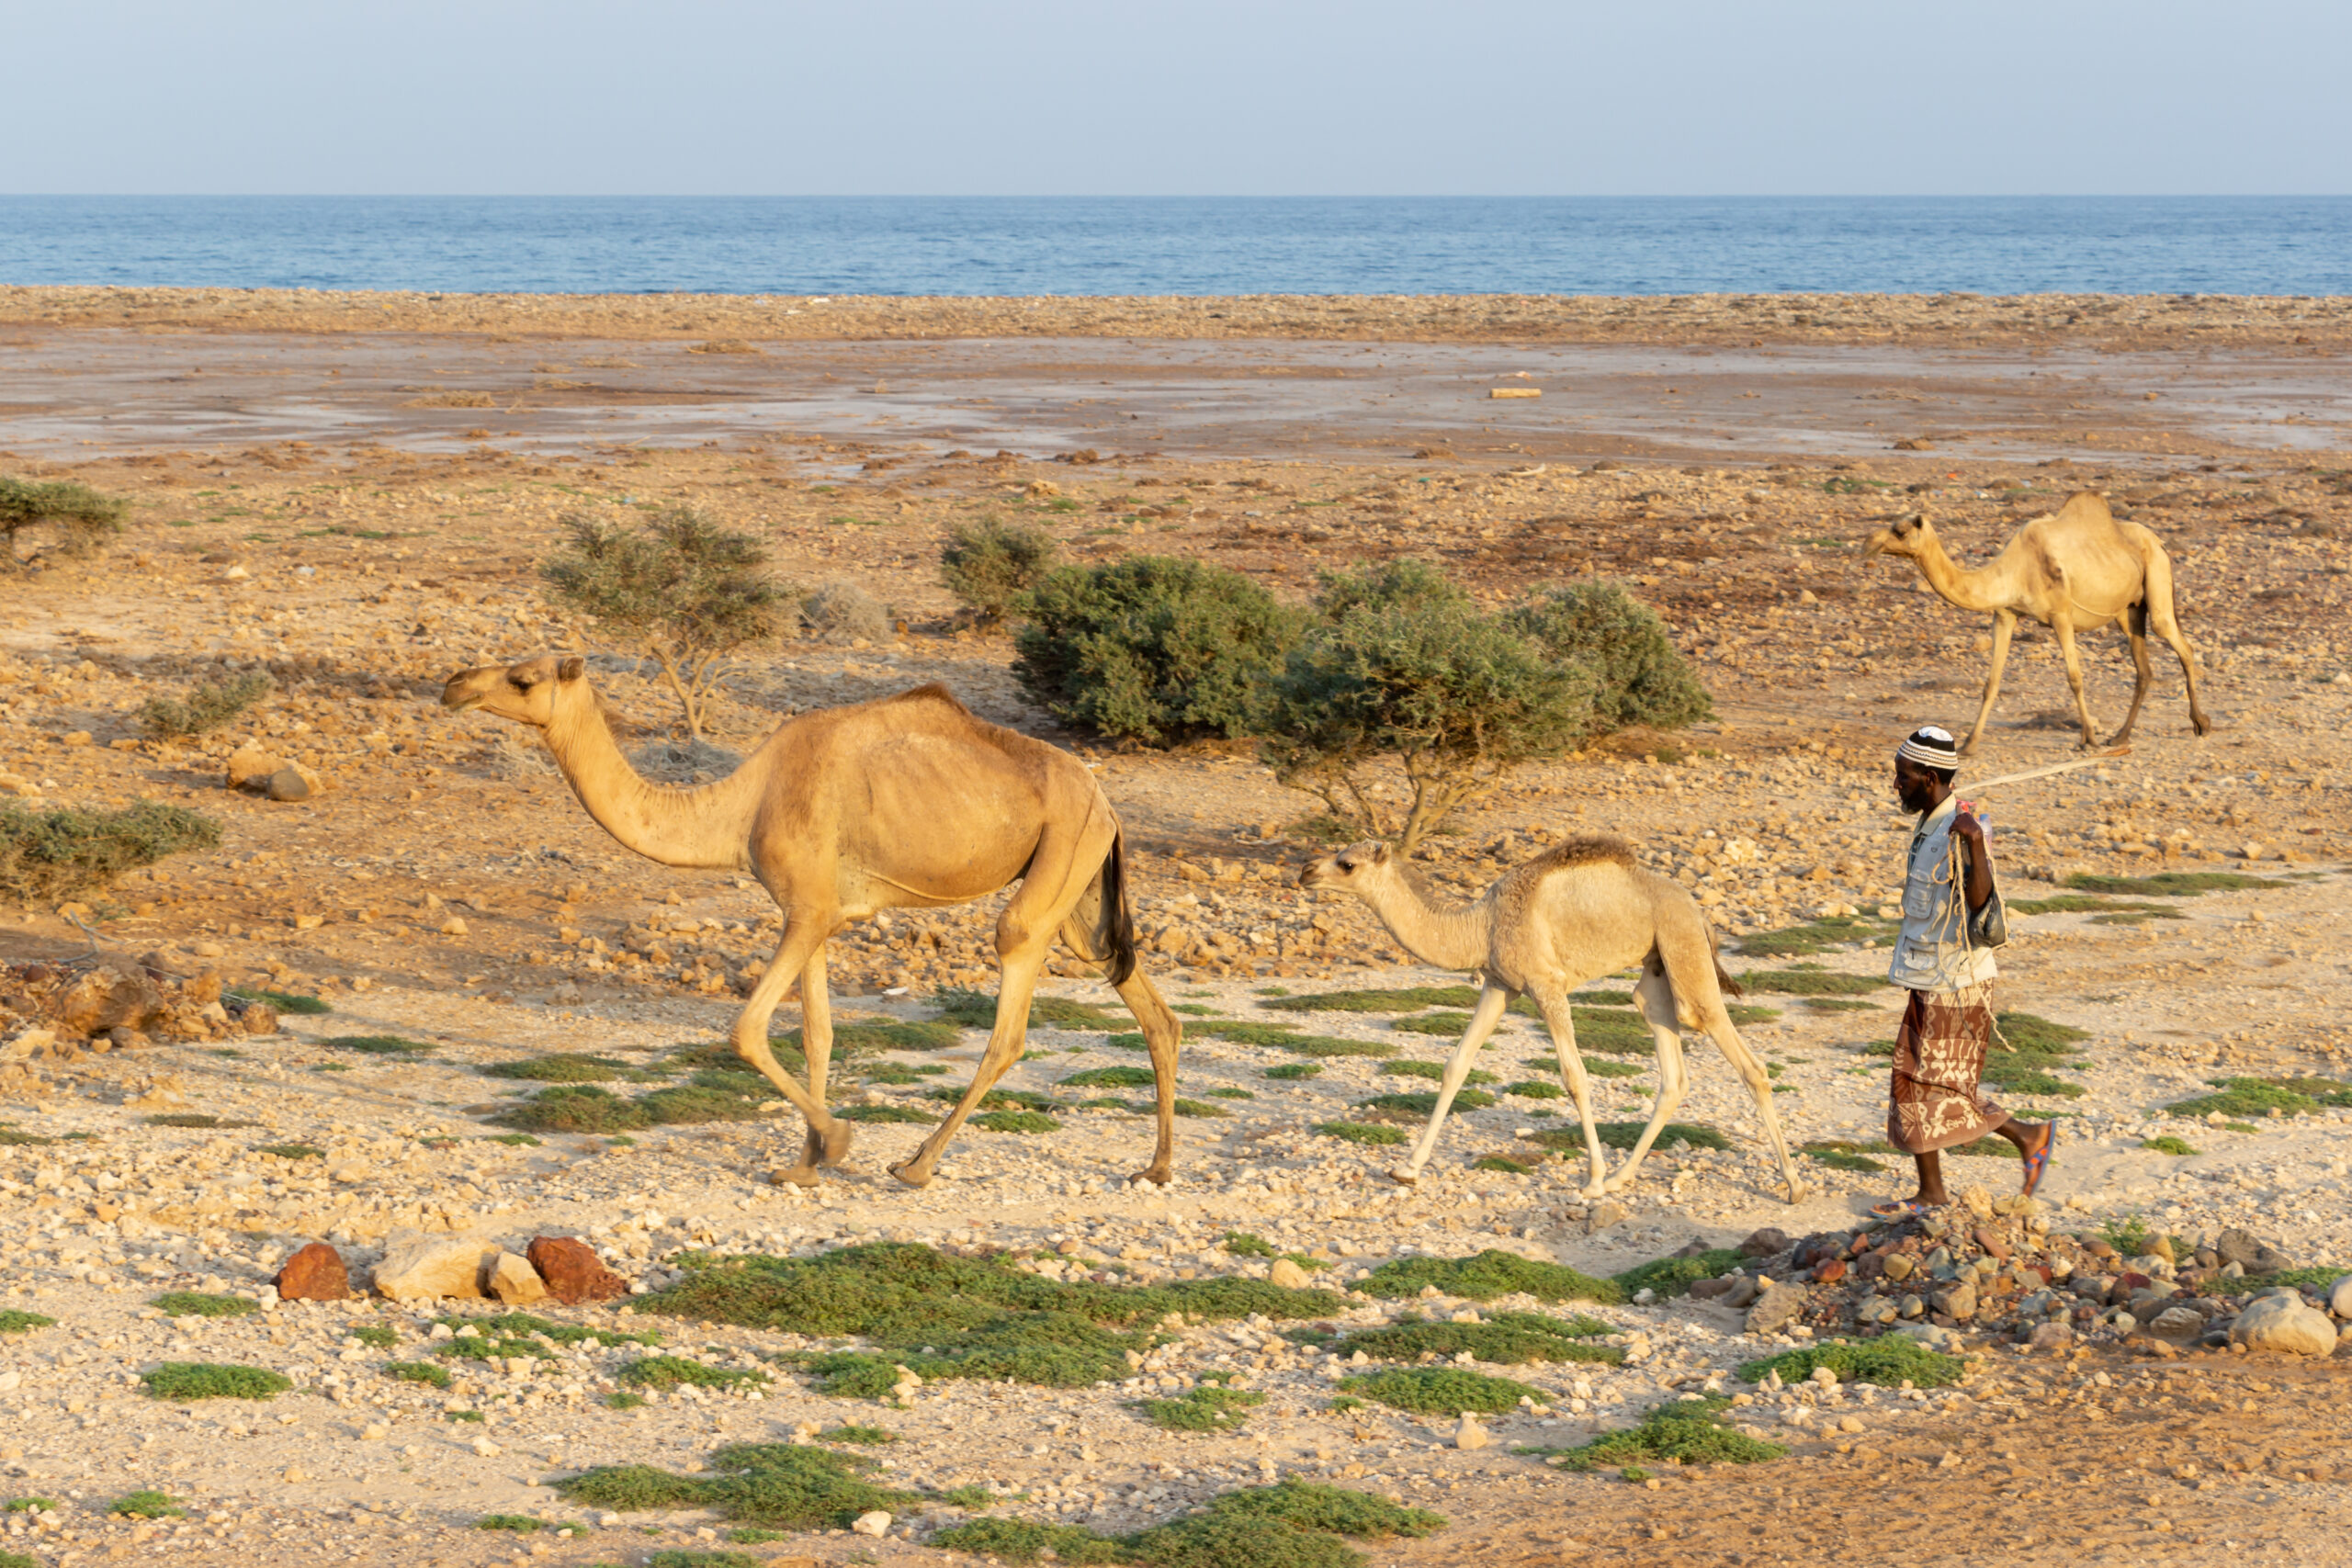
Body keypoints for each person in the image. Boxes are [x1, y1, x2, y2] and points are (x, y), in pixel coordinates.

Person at [1870, 726, 2053, 1218]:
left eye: (1902, 777)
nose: (1895, 785)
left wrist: (1974, 845)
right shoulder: (1932, 821)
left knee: (1939, 1085)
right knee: (1911, 1079)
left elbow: (1982, 908)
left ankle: (2028, 1134)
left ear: (1928, 777)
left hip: (1959, 982)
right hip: (1931, 976)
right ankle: (1932, 1193)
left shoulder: (1966, 828)